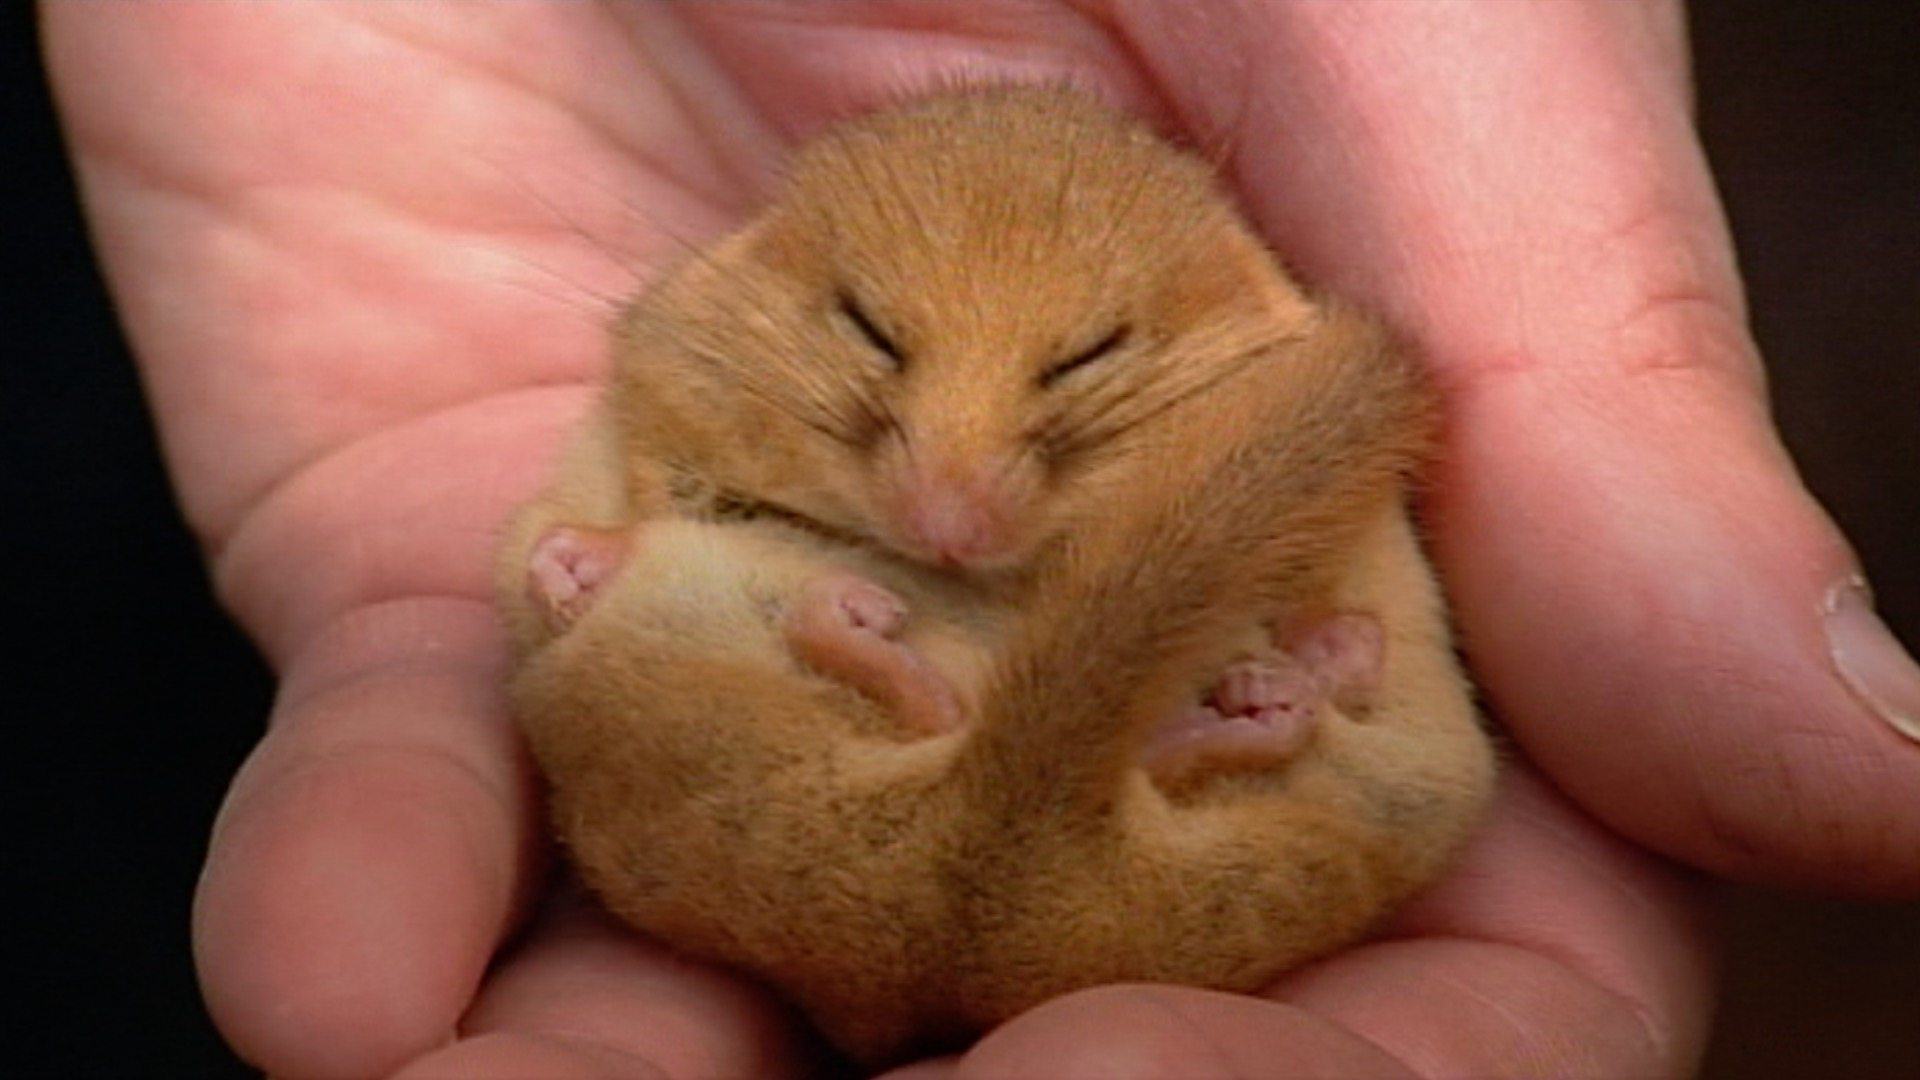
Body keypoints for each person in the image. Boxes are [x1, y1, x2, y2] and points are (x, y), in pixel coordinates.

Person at [43, 3, 1919, 1076]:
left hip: (1085, 827)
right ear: (790, 270)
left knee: (1383, 717)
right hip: (857, 748)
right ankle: (1122, 720)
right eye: (870, 345)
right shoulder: (718, 317)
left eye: (1081, 379)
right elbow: (628, 478)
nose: (950, 490)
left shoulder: (1257, 341)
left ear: (1217, 318)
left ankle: (1095, 719)